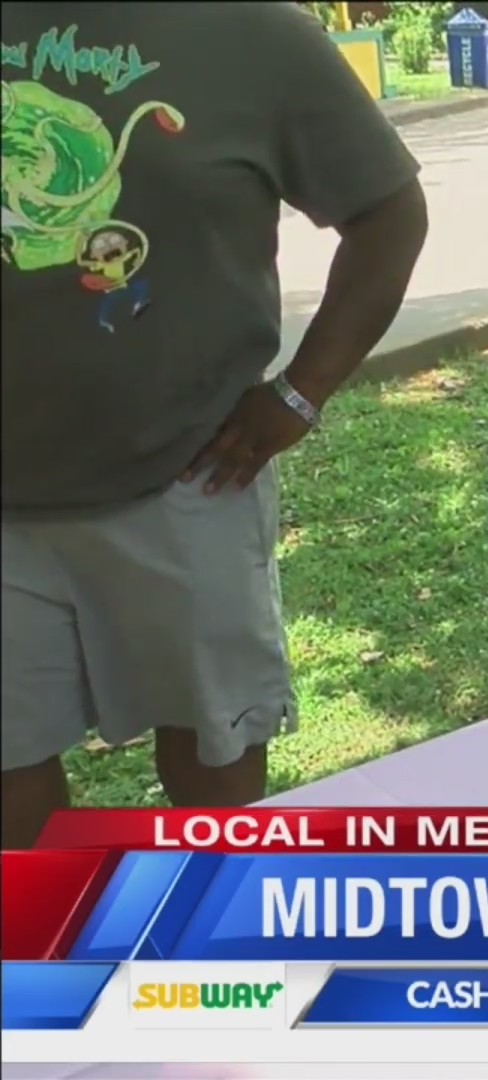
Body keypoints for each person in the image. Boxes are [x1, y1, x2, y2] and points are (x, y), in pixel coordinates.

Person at [0, 2, 428, 850]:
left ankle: (212, 959)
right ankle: (50, 961)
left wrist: (301, 393)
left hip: (190, 476)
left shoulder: (255, 33)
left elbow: (388, 214)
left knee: (213, 761)